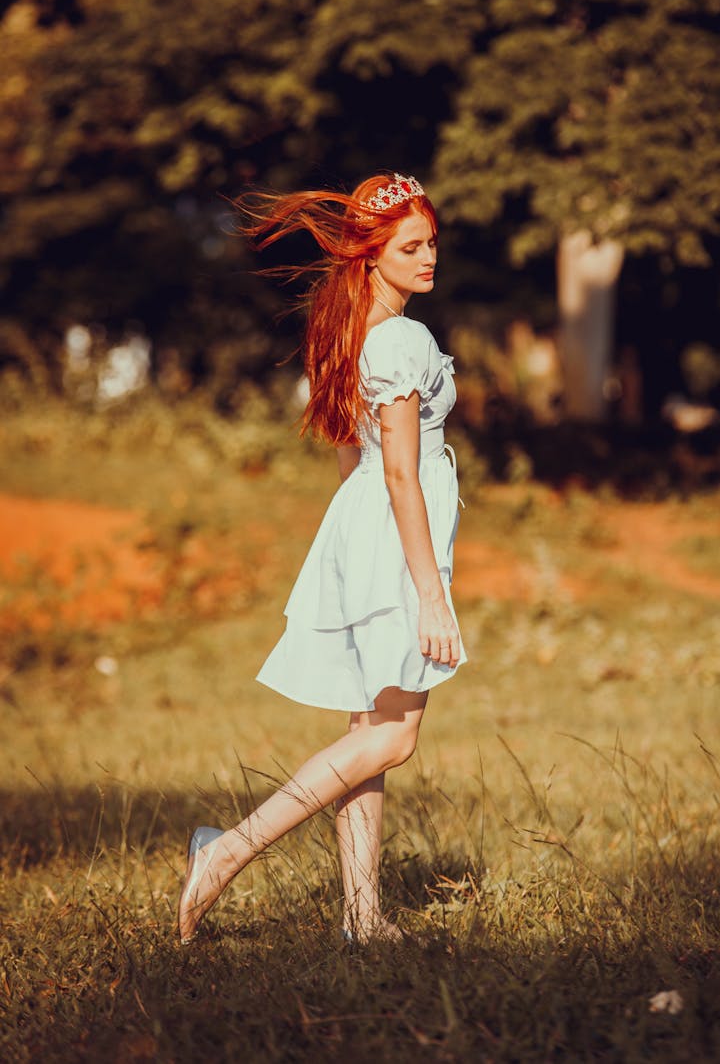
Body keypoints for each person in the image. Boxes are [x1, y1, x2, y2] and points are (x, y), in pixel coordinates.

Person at [178, 172, 467, 946]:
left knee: (364, 725)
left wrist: (355, 549)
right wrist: (430, 591)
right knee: (393, 736)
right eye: (411, 246)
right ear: (371, 256)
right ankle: (227, 849)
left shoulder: (347, 331)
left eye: (432, 241)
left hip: (363, 527)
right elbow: (403, 472)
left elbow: (354, 461)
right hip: (399, 537)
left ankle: (363, 915)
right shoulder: (403, 339)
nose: (429, 256)